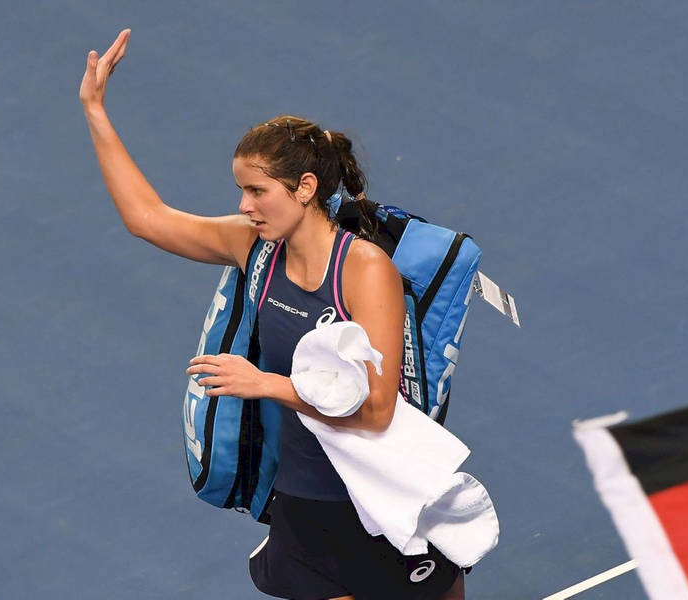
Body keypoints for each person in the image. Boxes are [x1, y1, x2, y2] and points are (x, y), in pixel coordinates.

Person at [80, 29, 466, 600]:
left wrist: (268, 385)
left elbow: (379, 408)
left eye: (258, 191)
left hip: (382, 497)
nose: (244, 205)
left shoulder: (364, 270)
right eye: (241, 190)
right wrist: (95, 110)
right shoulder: (253, 246)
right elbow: (148, 218)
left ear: (305, 188)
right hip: (306, 501)